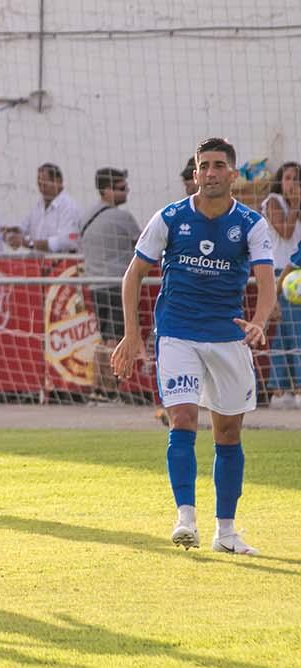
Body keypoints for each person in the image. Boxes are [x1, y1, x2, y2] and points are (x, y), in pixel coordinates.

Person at [111, 137, 276, 556]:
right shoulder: (169, 218)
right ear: (196, 173)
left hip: (228, 337)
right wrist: (132, 335)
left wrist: (257, 322)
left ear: (233, 174)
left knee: (227, 432)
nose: (211, 172)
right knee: (182, 419)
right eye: (204, 166)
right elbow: (132, 277)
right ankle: (185, 518)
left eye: (219, 165)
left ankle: (227, 531)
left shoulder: (252, 224)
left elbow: (266, 282)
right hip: (177, 333)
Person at [79, 168, 141, 345]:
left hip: (95, 287)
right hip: (117, 286)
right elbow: (144, 245)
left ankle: (102, 372)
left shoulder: (85, 216)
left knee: (104, 339)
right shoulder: (123, 217)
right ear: (107, 190)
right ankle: (111, 373)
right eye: (121, 188)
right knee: (115, 340)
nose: (126, 192)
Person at [260, 161, 301, 407]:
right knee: (284, 331)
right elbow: (285, 232)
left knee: (294, 331)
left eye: (297, 179)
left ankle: (289, 388)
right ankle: (281, 389)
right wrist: (294, 205)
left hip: (297, 271)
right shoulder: (274, 201)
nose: (293, 184)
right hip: (279, 272)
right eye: (288, 178)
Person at [5, 163, 83, 253]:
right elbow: (24, 228)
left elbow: (65, 242)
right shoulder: (39, 205)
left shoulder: (69, 207)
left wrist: (29, 243)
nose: (41, 189)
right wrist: (12, 231)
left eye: (44, 185)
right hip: (39, 263)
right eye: (39, 185)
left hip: (64, 264)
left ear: (58, 182)